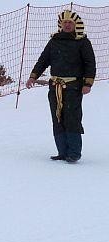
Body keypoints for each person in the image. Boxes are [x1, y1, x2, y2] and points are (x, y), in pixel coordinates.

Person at [26, 9, 96, 163]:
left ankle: (74, 153)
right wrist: (33, 77)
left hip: (73, 87)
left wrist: (88, 83)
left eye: (70, 22)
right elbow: (43, 60)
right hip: (55, 87)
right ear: (61, 24)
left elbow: (90, 63)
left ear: (76, 24)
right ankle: (62, 152)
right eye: (65, 22)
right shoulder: (54, 41)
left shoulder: (82, 41)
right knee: (57, 118)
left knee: (72, 117)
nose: (67, 25)